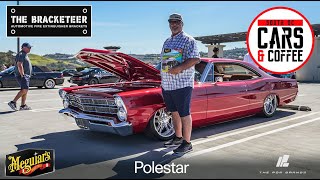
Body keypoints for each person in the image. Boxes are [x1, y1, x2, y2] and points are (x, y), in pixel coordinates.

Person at [160, 13, 200, 154]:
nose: (174, 24)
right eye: (171, 22)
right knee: (174, 112)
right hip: (167, 84)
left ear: (182, 23)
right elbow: (165, 62)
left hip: (182, 84)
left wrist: (179, 68)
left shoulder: (189, 40)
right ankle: (178, 137)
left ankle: (187, 143)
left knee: (184, 113)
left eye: (177, 22)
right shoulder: (167, 41)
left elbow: (195, 59)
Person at [7, 42, 33, 111]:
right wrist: (23, 75)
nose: (30, 49)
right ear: (24, 47)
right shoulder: (21, 54)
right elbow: (19, 65)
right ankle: (13, 102)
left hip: (26, 75)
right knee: (24, 90)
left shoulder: (25, 54)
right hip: (22, 75)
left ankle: (23, 105)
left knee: (25, 90)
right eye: (29, 47)